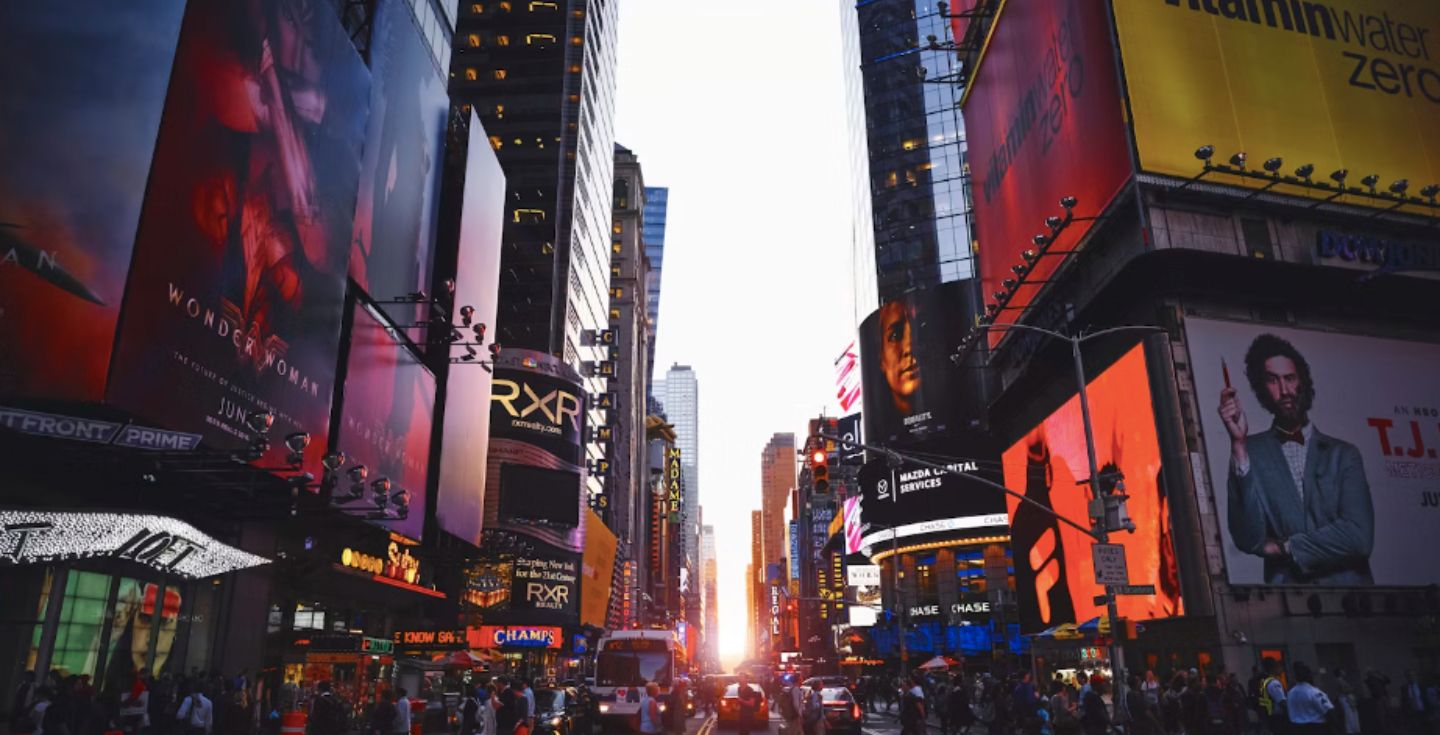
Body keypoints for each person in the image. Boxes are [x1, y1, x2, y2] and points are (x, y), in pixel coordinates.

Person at [1219, 334, 1375, 585]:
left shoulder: (1344, 454)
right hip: (1289, 605)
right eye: (1272, 380)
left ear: (1303, 381)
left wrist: (1286, 547)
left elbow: (1359, 537)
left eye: (1290, 378)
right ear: (1261, 389)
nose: (1284, 391)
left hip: (1354, 604)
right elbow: (1249, 539)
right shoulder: (1251, 451)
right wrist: (1238, 444)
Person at [1285, 664, 1333, 735]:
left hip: (1297, 728)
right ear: (1309, 676)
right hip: (1316, 728)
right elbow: (1328, 710)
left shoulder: (1290, 693)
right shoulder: (1313, 692)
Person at [1258, 660, 1287, 735]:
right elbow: (1282, 702)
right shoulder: (1274, 683)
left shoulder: (1264, 682)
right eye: (1279, 667)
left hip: (1269, 715)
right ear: (1273, 668)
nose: (1281, 669)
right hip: (1278, 717)